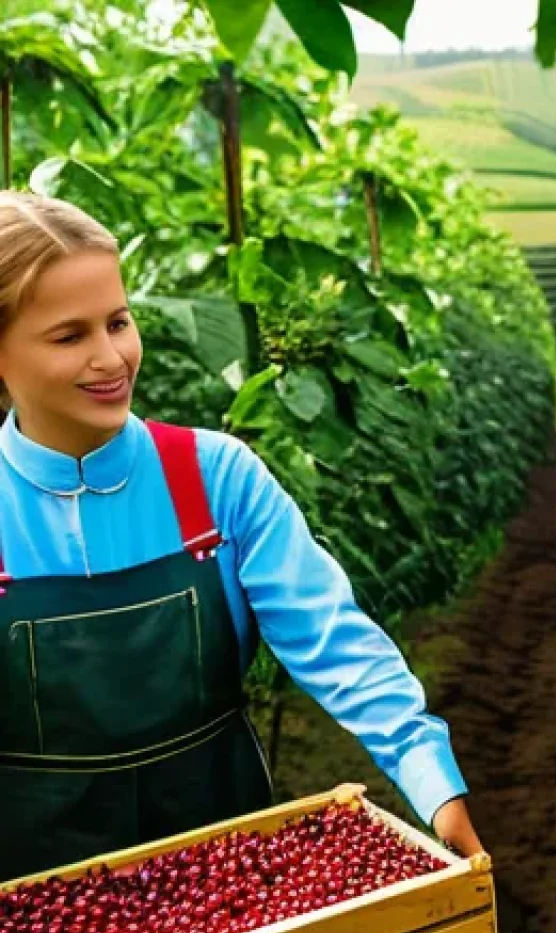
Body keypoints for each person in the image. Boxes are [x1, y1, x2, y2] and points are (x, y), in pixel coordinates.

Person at [0, 191, 482, 883]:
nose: (111, 357)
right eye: (69, 337)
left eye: (118, 322)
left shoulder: (214, 478)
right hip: (37, 894)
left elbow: (332, 638)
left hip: (223, 866)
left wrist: (430, 779)